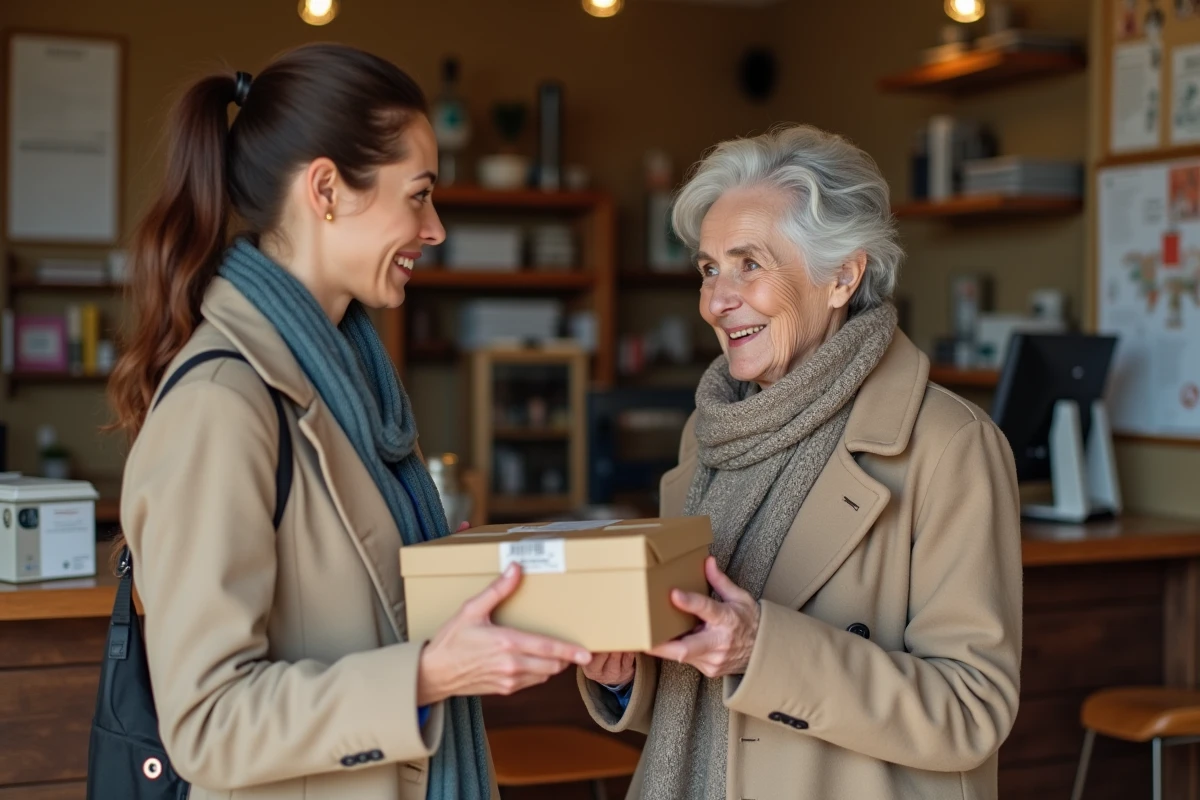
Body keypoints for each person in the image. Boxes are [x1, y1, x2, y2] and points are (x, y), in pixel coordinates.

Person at [109, 43, 591, 800]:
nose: (434, 229)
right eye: (419, 195)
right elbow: (208, 724)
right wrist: (429, 675)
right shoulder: (223, 403)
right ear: (327, 189)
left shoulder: (349, 384)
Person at [579, 124, 1023, 800]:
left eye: (749, 264)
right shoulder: (712, 433)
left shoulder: (948, 444)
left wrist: (765, 650)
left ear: (843, 275)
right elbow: (700, 681)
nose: (717, 300)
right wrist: (625, 676)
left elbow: (971, 711)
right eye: (708, 268)